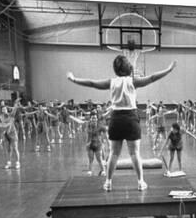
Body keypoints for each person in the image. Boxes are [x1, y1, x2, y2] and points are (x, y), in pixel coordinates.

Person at [67, 55, 177, 191]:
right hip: (131, 118)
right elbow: (152, 77)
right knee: (134, 153)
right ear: (128, 67)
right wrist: (168, 70)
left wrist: (74, 79)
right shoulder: (132, 81)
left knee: (114, 153)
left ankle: (108, 182)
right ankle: (140, 182)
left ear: (115, 69)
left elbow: (92, 83)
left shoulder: (112, 82)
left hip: (116, 118)